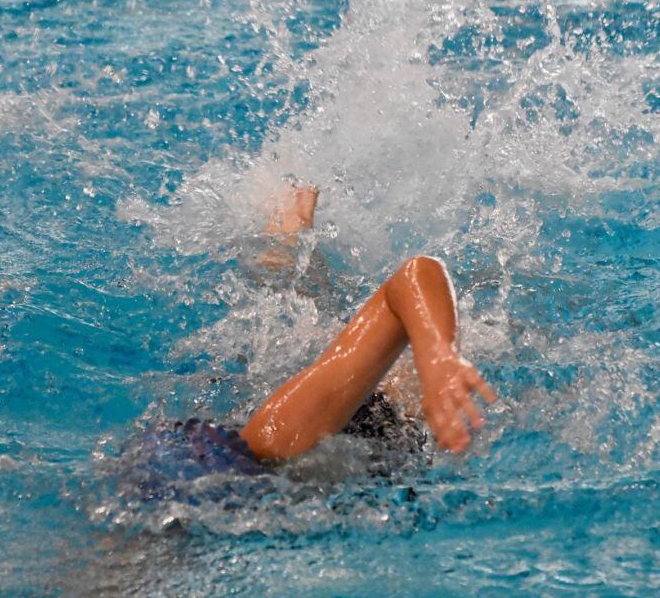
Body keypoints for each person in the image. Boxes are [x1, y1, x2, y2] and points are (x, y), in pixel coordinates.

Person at [131, 182, 496, 492]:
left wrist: (438, 359)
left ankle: (289, 228)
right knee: (306, 329)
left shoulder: (276, 442)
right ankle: (289, 236)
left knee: (390, 380)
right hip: (287, 420)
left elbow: (415, 275)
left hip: (353, 417)